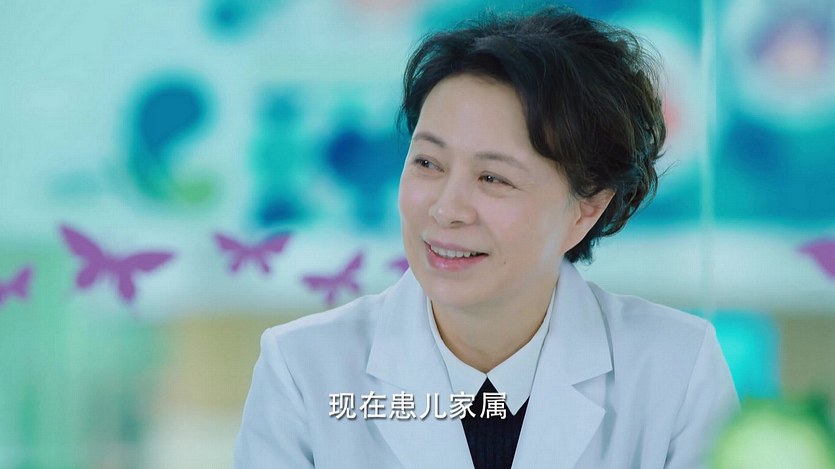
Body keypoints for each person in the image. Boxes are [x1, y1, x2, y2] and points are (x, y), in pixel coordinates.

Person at [233, 6, 739, 469]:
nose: (446, 209)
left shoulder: (676, 369)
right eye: (428, 163)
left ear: (587, 208)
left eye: (493, 178)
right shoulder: (302, 370)